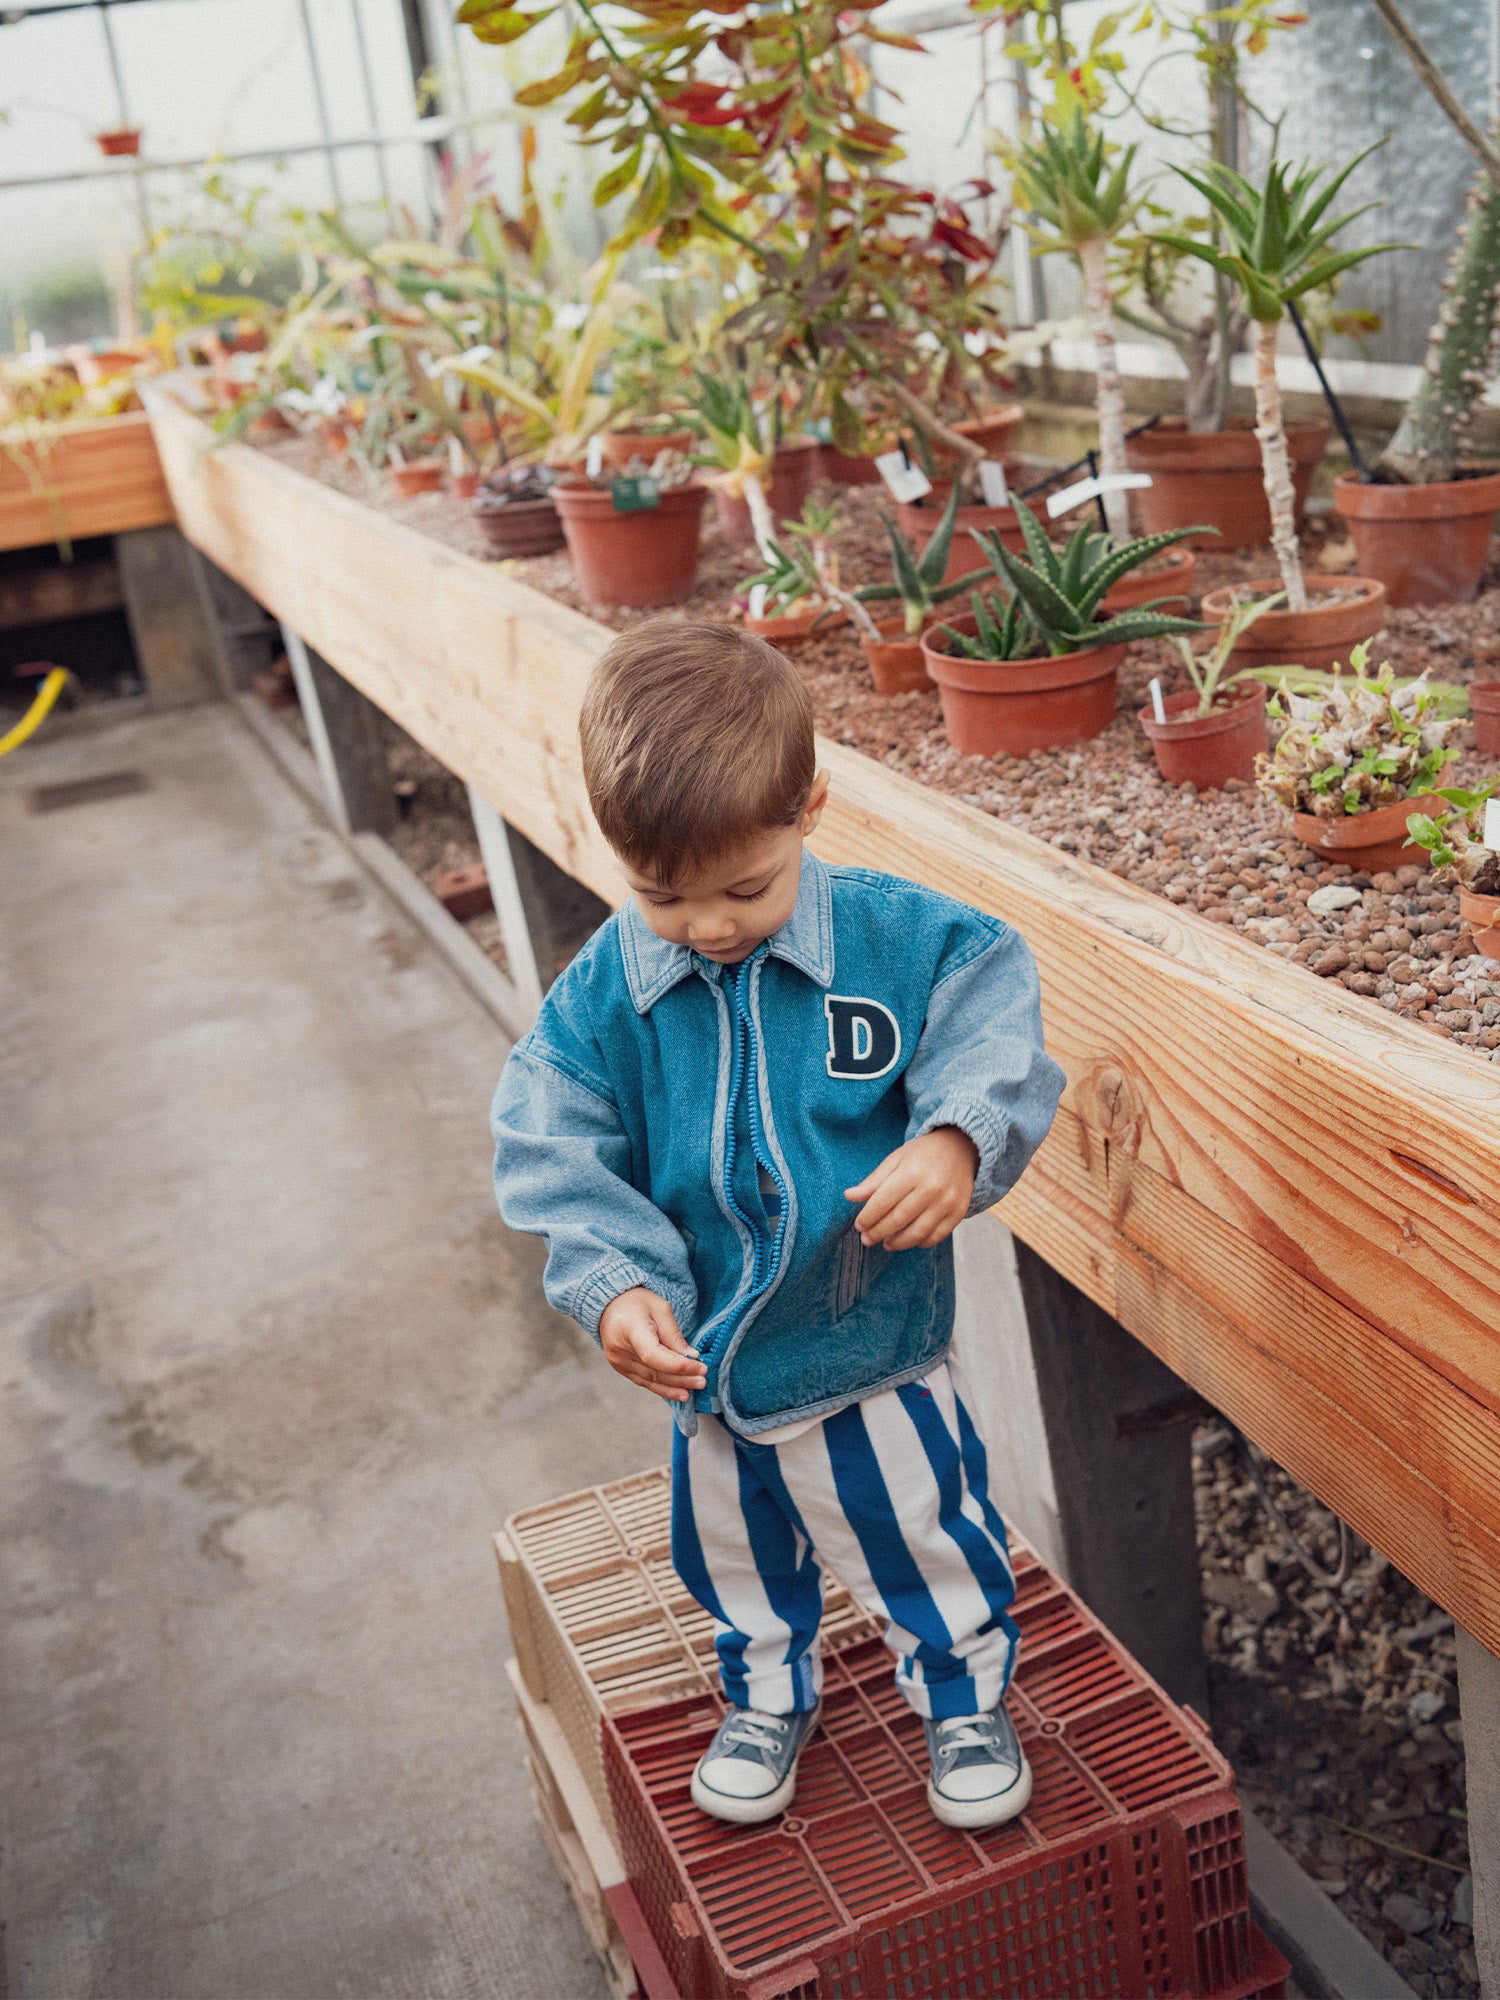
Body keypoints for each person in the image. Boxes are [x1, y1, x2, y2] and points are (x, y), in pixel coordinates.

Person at [492, 618, 1064, 1830]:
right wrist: (610, 1279)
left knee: (921, 1527)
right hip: (710, 1359)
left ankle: (962, 1691)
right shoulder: (609, 984)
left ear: (809, 807)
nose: (707, 925)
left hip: (869, 1333)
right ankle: (765, 1688)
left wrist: (956, 1134)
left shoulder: (896, 939)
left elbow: (994, 1004)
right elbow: (552, 1128)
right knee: (736, 1551)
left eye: (745, 888)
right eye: (663, 895)